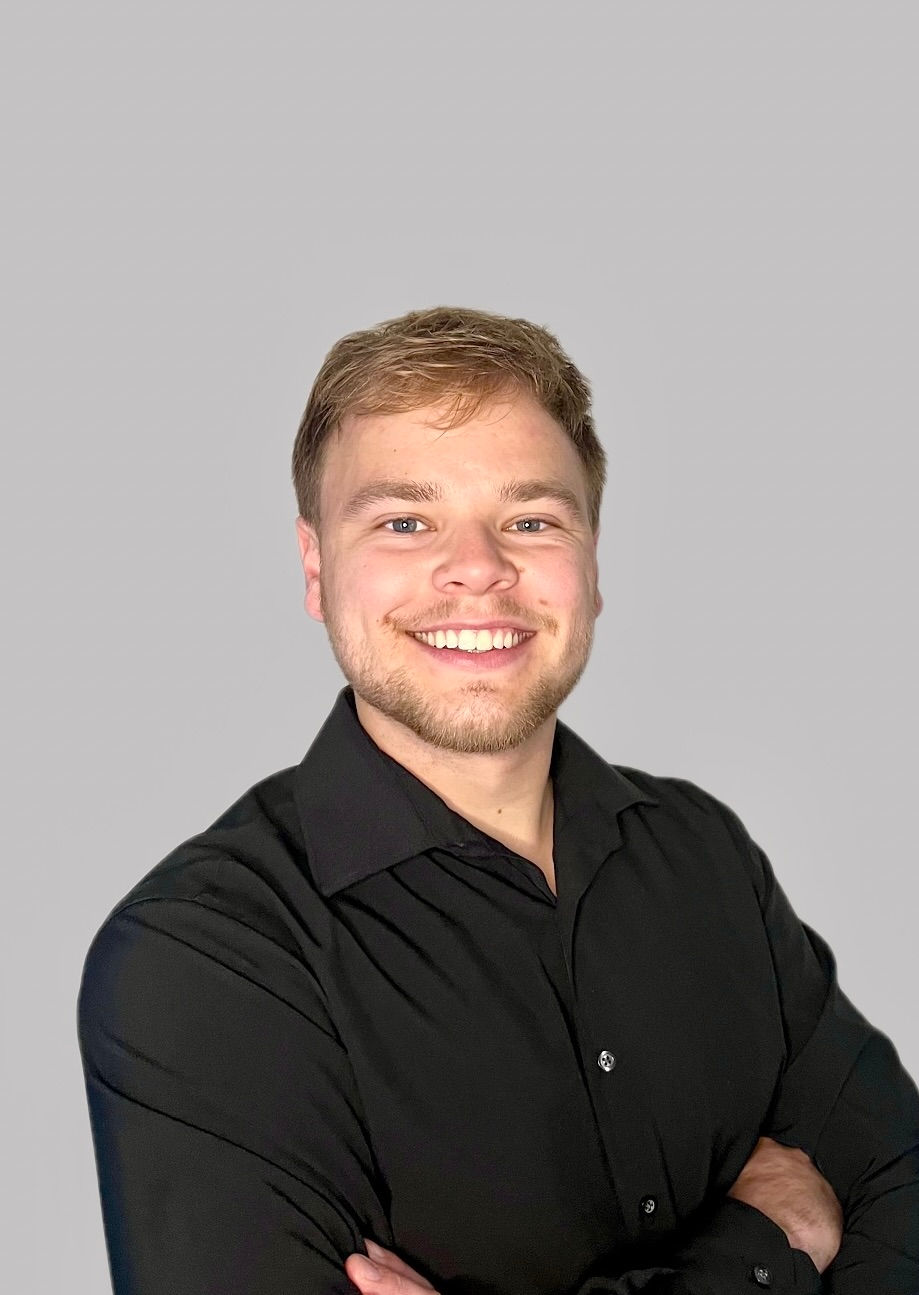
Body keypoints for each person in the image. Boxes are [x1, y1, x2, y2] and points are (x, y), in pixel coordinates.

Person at [77, 306, 919, 1295]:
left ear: (591, 562)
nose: (477, 567)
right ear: (315, 567)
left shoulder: (703, 852)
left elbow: (901, 1190)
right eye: (403, 520)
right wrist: (760, 1246)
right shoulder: (205, 960)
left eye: (530, 519)